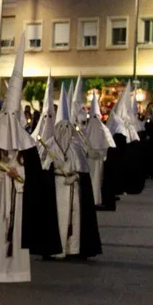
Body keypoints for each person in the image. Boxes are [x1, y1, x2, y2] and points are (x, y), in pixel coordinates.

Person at [0, 32, 56, 280]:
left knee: (14, 230)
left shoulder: (26, 147)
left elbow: (33, 175)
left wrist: (20, 173)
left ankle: (14, 270)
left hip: (17, 190)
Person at [39, 86, 102, 260]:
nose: (65, 130)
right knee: (57, 218)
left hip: (73, 187)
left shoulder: (76, 145)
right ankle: (56, 248)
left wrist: (75, 176)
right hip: (57, 187)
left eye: (68, 127)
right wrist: (53, 169)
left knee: (74, 218)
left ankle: (73, 248)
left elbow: (83, 170)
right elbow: (44, 167)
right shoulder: (50, 144)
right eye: (61, 127)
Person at [83, 94, 116, 213]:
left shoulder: (93, 128)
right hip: (94, 160)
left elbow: (107, 146)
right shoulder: (97, 128)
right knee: (94, 180)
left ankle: (95, 199)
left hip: (96, 159)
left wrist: (96, 153)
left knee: (96, 180)